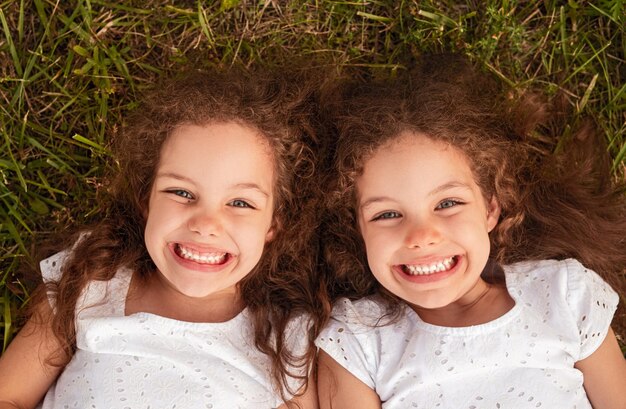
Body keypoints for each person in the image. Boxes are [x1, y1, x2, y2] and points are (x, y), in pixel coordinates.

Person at [0, 65, 324, 409]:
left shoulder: (286, 336)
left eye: (240, 202)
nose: (206, 223)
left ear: (273, 224)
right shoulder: (93, 281)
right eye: (181, 192)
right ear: (146, 199)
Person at [315, 54, 626, 409]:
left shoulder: (562, 295)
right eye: (387, 213)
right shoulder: (357, 339)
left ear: (491, 208)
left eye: (447, 204)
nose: (421, 235)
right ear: (358, 229)